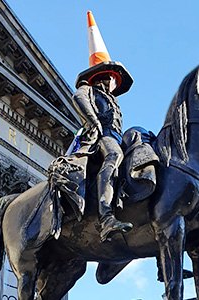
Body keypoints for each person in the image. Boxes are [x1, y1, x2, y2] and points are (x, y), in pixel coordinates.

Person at [71, 11, 134, 242]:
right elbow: (78, 99)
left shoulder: (113, 101)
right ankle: (106, 216)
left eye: (114, 79)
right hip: (102, 137)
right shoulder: (89, 90)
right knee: (114, 155)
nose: (112, 82)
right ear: (100, 77)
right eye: (110, 78)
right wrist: (94, 122)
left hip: (116, 136)